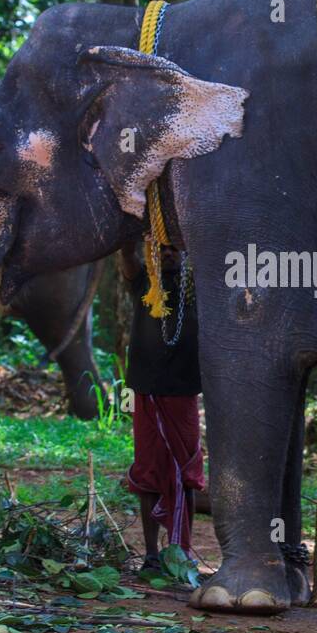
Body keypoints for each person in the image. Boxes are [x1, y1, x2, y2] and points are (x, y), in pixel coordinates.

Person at [118, 243, 206, 571]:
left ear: (187, 253)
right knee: (148, 473)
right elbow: (126, 258)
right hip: (147, 392)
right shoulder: (144, 282)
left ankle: (180, 551)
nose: (169, 254)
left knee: (187, 473)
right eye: (162, 248)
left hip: (183, 394)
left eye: (176, 248)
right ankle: (152, 555)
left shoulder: (199, 288)